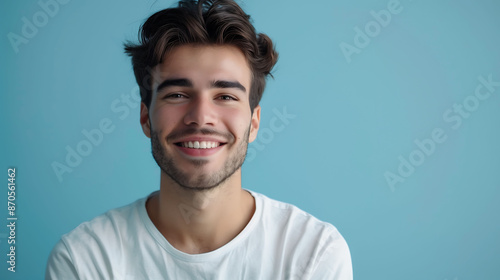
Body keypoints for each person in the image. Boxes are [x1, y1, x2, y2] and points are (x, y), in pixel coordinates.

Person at [45, 0, 353, 279]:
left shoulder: (313, 255)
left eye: (225, 96)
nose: (201, 116)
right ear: (145, 118)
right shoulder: (85, 260)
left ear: (254, 123)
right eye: (177, 94)